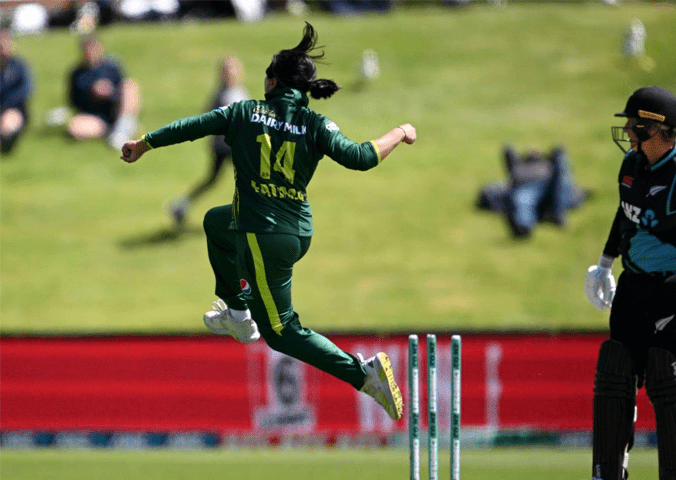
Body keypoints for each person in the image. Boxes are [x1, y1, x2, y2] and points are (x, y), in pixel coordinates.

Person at [120, 22, 415, 421]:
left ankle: (362, 375)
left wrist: (145, 143)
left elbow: (193, 126)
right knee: (216, 223)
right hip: (295, 229)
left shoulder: (245, 112)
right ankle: (238, 313)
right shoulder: (316, 123)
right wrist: (400, 131)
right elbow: (361, 157)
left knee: (281, 332)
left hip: (264, 236)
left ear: (273, 81)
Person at [584, 86, 676, 480]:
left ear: (656, 129)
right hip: (633, 282)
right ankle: (606, 473)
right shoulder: (630, 165)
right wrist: (605, 263)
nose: (627, 131)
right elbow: (625, 214)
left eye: (634, 124)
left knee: (668, 378)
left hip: (675, 287)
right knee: (614, 373)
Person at [169, 56, 250, 227]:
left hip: (237, 145)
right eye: (227, 72)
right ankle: (182, 205)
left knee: (236, 179)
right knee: (234, 179)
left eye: (234, 71)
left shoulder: (241, 91)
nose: (231, 75)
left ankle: (181, 205)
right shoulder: (221, 95)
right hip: (225, 146)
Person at [66, 34, 140, 150]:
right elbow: (74, 102)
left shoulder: (112, 67)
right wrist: (92, 94)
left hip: (115, 110)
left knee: (130, 85)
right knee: (74, 127)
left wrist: (110, 92)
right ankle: (113, 131)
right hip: (95, 116)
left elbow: (124, 92)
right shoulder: (77, 74)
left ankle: (123, 128)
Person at [0, 29, 33, 156]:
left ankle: (7, 145)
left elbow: (25, 90)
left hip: (14, 109)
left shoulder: (19, 67)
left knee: (9, 122)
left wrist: (5, 105)